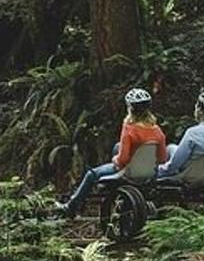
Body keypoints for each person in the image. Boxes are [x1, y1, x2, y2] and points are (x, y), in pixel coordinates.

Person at [57, 87, 168, 216]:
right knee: (117, 146)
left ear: (130, 108)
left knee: (91, 174)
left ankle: (71, 207)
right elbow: (162, 158)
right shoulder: (157, 131)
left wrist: (115, 159)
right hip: (149, 175)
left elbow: (123, 161)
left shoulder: (130, 129)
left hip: (129, 174)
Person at [158, 90, 204, 179]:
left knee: (169, 151)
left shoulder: (193, 133)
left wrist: (158, 171)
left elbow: (174, 165)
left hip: (186, 175)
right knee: (171, 148)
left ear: (200, 111)